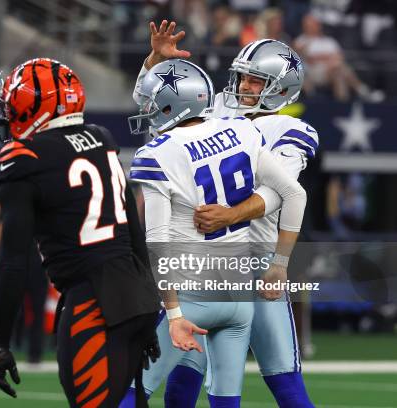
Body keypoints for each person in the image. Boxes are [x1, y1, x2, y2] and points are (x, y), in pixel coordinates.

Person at [125, 20, 317, 407]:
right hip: (205, 259)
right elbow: (154, 104)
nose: (244, 87)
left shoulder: (289, 129)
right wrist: (156, 63)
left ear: (282, 88)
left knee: (284, 379)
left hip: (257, 259)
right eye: (242, 78)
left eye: (255, 81)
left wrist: (230, 215)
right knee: (187, 378)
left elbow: (278, 193)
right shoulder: (217, 112)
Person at [0, 58, 161, 407]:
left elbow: (13, 263)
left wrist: (0, 342)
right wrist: (149, 298)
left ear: (34, 106)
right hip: (135, 294)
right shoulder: (101, 137)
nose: (7, 115)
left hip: (93, 302)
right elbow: (132, 228)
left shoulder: (23, 156)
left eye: (12, 105)